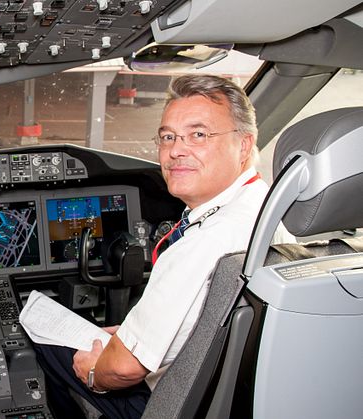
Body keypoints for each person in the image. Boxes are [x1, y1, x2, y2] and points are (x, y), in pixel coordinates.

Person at [34, 74, 283, 418]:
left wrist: (94, 373)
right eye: (168, 137)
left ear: (244, 145)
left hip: (171, 404)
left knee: (44, 339)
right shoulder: (268, 210)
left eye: (198, 134)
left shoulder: (204, 243)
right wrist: (129, 333)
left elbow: (124, 369)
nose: (176, 150)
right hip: (234, 398)